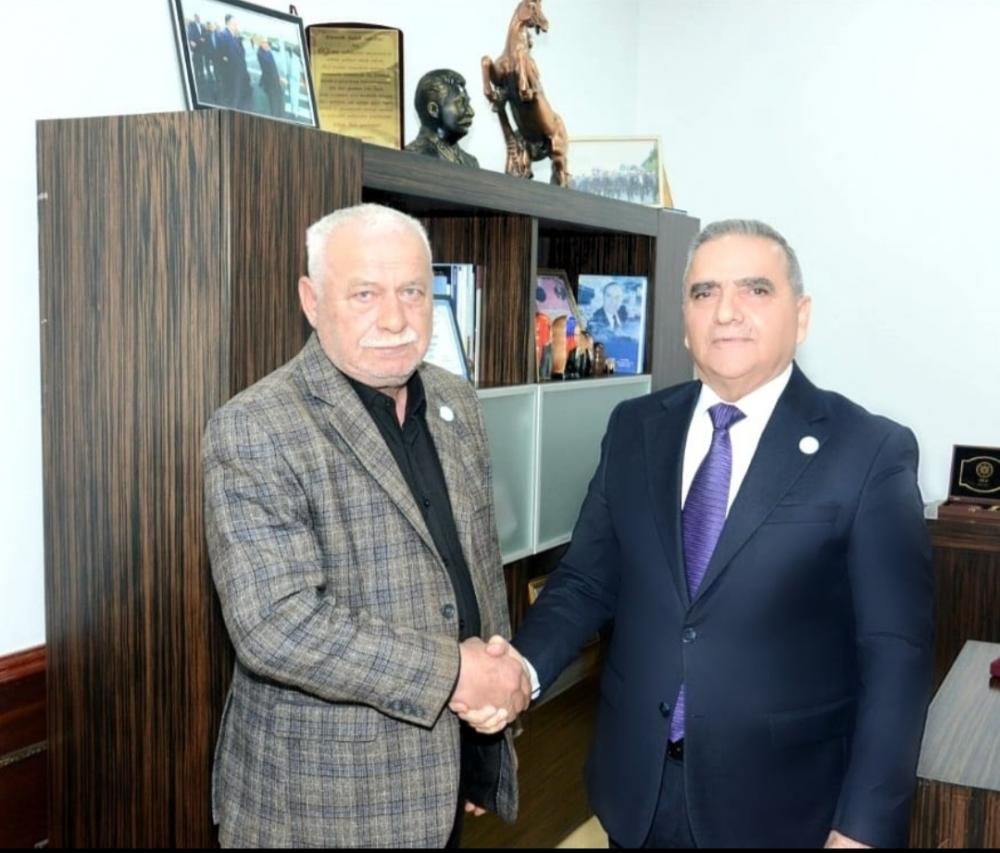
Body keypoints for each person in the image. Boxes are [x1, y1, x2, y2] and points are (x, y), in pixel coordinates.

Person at [463, 219, 934, 848]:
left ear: (801, 316)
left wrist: (864, 826)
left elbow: (896, 654)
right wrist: (520, 670)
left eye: (755, 290)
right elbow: (585, 581)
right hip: (639, 792)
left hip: (788, 808)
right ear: (684, 319)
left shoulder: (869, 451)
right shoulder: (635, 427)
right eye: (704, 292)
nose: (726, 312)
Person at [204, 203, 529, 848]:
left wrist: (484, 744)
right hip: (323, 809)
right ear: (311, 300)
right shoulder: (256, 426)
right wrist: (456, 675)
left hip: (440, 777)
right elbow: (276, 625)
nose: (395, 318)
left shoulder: (455, 401)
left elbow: (474, 572)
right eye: (365, 294)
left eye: (413, 291)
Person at [405, 69, 480, 167]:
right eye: (460, 103)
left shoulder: (471, 163)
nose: (471, 112)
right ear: (433, 109)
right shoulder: (410, 158)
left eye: (467, 103)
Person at [255, 36, 285, 118]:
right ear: (260, 44)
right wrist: (269, 51)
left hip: (274, 80)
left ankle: (279, 115)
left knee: (278, 99)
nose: (266, 44)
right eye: (264, 42)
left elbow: (273, 67)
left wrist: (278, 77)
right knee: (274, 102)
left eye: (267, 43)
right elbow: (269, 65)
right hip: (271, 81)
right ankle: (276, 117)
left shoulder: (264, 51)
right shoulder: (261, 53)